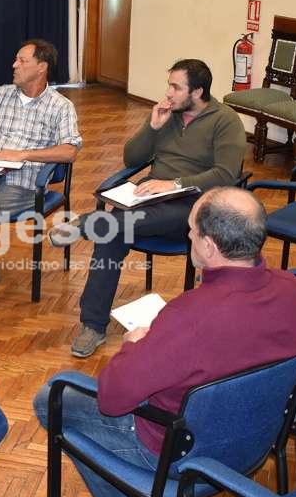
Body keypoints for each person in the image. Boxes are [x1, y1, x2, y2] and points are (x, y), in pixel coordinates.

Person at [33, 188, 296, 497]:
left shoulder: (189, 315)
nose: (187, 236)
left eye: (192, 231)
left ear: (210, 246)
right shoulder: (294, 291)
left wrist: (134, 344)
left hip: (180, 451)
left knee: (51, 397)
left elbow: (112, 398)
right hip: (257, 436)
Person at [55, 58, 246, 357]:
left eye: (176, 87)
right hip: (148, 198)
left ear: (197, 92)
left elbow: (226, 174)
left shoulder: (226, 121)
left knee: (112, 225)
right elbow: (132, 158)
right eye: (169, 85)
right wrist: (152, 127)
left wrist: (175, 184)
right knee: (111, 235)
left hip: (193, 206)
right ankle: (93, 325)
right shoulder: (168, 115)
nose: (168, 93)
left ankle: (92, 222)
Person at [0, 38, 81, 322]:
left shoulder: (61, 107)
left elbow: (70, 151)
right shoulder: (0, 95)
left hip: (26, 187)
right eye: (16, 59)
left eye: (22, 60)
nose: (14, 65)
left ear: (41, 67)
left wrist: (23, 154)